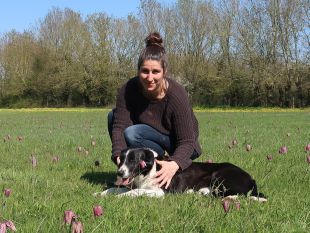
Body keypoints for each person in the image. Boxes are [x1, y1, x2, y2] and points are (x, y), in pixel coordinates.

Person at [108, 32, 201, 189]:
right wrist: (119, 156)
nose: (150, 77)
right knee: (113, 116)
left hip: (181, 144)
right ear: (138, 70)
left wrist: (174, 163)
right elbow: (118, 127)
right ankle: (134, 173)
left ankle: (158, 166)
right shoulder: (128, 90)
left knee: (133, 133)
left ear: (164, 71)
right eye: (145, 71)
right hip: (149, 139)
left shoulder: (177, 95)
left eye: (155, 72)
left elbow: (187, 140)